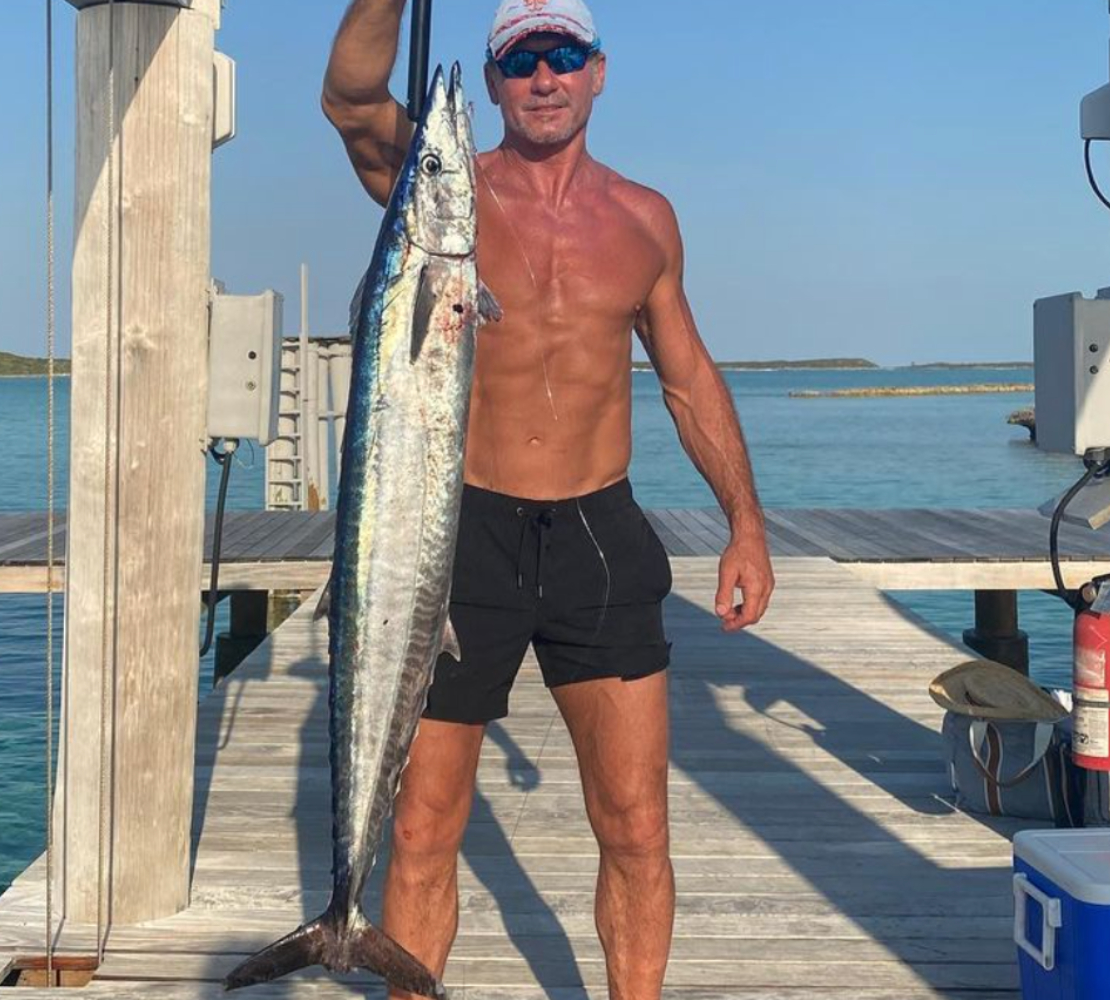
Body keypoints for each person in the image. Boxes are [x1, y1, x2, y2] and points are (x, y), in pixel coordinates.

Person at [321, 1, 774, 997]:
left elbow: (688, 377)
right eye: (520, 60)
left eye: (563, 56)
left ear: (599, 72)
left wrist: (745, 522)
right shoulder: (439, 191)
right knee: (425, 826)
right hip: (456, 532)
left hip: (596, 535)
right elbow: (352, 99)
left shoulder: (644, 218)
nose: (543, 77)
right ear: (489, 85)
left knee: (636, 823)